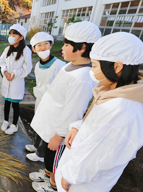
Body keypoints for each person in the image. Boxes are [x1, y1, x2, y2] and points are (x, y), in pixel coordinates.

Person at [55, 32, 143, 192]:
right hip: (76, 170)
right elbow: (95, 124)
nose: (92, 70)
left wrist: (70, 175)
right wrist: (78, 127)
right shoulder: (114, 91)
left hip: (82, 183)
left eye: (95, 65)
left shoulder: (123, 109)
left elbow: (99, 155)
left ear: (117, 66)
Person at [30, 21, 101, 192]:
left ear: (82, 48)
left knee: (55, 160)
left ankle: (53, 185)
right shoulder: (71, 65)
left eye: (67, 44)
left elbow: (73, 110)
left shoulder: (82, 77)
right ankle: (47, 175)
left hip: (58, 129)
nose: (62, 47)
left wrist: (60, 135)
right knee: (48, 157)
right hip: (51, 123)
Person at [25, 32, 66, 163]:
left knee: (47, 127)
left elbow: (61, 86)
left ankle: (41, 154)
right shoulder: (38, 65)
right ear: (34, 49)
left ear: (51, 45)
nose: (43, 48)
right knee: (39, 122)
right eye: (39, 45)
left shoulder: (59, 65)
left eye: (46, 44)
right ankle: (36, 145)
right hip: (40, 98)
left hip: (53, 102)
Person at [0, 24, 32, 135]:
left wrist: (14, 73)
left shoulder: (26, 51)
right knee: (7, 102)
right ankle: (5, 121)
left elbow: (27, 68)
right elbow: (2, 61)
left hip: (16, 81)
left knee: (15, 104)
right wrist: (6, 72)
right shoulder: (8, 49)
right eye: (10, 34)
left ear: (21, 37)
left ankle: (14, 125)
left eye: (14, 34)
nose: (11, 36)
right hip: (7, 79)